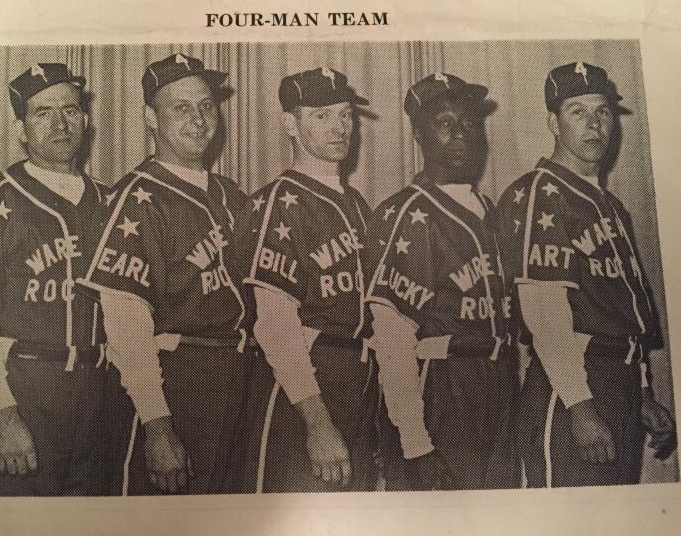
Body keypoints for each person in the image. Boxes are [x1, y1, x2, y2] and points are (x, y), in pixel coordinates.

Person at [496, 62, 676, 487]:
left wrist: (644, 391)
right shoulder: (540, 192)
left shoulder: (611, 206)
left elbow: (621, 312)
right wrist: (580, 407)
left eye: (603, 111)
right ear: (552, 123)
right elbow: (545, 315)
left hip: (620, 379)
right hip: (574, 383)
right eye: (578, 112)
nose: (594, 125)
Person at [78, 53, 251, 495]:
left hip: (238, 375)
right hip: (176, 378)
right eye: (181, 108)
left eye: (207, 106)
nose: (198, 121)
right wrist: (157, 426)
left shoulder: (230, 194)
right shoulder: (136, 197)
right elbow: (126, 325)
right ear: (150, 118)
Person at [0, 63, 109, 496]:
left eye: (69, 111)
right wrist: (3, 413)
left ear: (85, 121)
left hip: (95, 390)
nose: (59, 124)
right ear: (21, 129)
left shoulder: (111, 200)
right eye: (42, 113)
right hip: (18, 385)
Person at [364, 73, 518, 490]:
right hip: (441, 384)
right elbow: (392, 341)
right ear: (419, 134)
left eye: (469, 121)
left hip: (499, 382)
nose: (460, 134)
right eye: (445, 122)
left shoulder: (492, 210)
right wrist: (416, 442)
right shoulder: (406, 212)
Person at [233, 66, 379, 493]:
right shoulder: (277, 202)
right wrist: (318, 424)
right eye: (321, 115)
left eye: (345, 114)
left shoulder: (355, 202)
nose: (339, 127)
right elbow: (276, 328)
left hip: (358, 374)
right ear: (289, 124)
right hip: (304, 384)